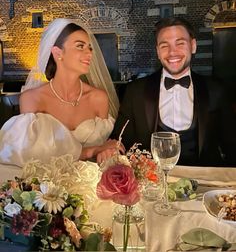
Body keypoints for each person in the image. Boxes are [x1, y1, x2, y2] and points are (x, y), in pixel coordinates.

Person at [0, 18, 123, 179]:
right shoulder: (32, 99)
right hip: (48, 189)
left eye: (89, 47)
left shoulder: (98, 98)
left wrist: (108, 151)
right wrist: (91, 151)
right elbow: (32, 157)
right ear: (58, 53)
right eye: (80, 46)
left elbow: (104, 152)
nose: (89, 53)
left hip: (93, 184)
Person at [112, 17, 236, 167]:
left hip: (205, 184)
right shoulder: (135, 91)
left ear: (193, 46)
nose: (172, 52)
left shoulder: (216, 90)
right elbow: (119, 143)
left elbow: (232, 146)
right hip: (152, 184)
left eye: (180, 43)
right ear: (158, 51)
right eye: (165, 46)